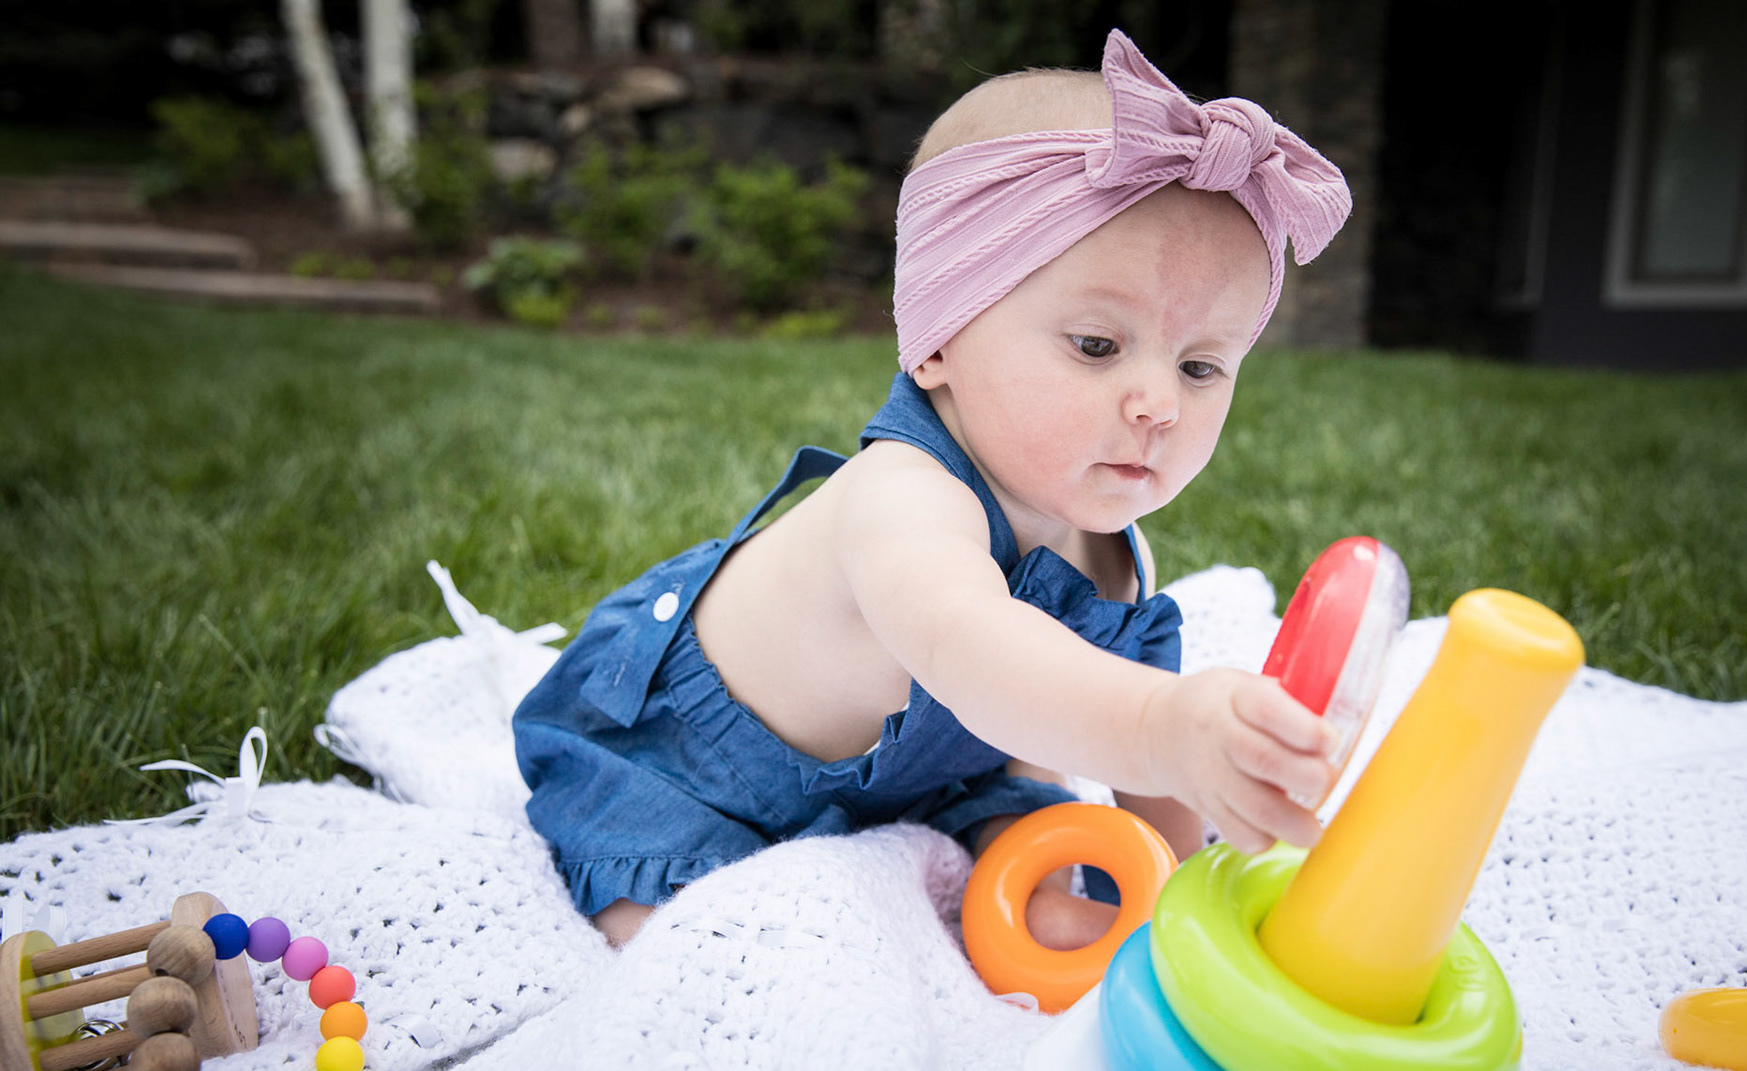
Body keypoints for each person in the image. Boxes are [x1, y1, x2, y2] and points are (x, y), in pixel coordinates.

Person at [513, 30, 1354, 949]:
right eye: (1097, 346)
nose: (1159, 403)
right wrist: (1163, 729)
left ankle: (1031, 890)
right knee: (695, 941)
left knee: (1035, 813)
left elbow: (1127, 741)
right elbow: (980, 656)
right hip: (682, 763)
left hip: (927, 768)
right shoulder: (903, 500)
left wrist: (1188, 886)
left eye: (1200, 367)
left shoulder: (1114, 554)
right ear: (939, 338)